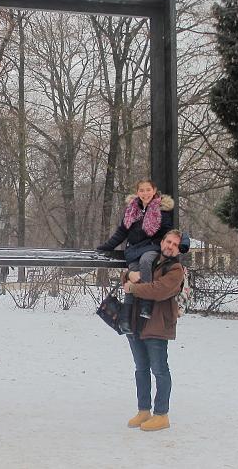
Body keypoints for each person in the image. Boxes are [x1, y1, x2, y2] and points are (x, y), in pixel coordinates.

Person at [122, 229, 185, 432]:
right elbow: (127, 278)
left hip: (157, 324)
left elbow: (158, 290)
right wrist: (129, 276)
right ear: (162, 241)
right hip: (136, 323)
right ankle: (143, 410)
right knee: (141, 369)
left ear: (178, 249)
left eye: (175, 244)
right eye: (168, 242)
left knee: (159, 370)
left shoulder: (176, 270)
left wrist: (134, 287)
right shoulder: (147, 260)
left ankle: (161, 414)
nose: (170, 246)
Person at [96, 180, 174, 331]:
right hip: (133, 250)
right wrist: (107, 246)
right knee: (132, 277)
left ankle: (146, 303)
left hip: (152, 246)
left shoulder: (162, 209)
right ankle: (125, 318)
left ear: (154, 190)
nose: (145, 193)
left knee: (145, 261)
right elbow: (122, 232)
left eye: (148, 190)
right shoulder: (132, 209)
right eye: (142, 190)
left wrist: (167, 248)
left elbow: (167, 232)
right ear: (137, 192)